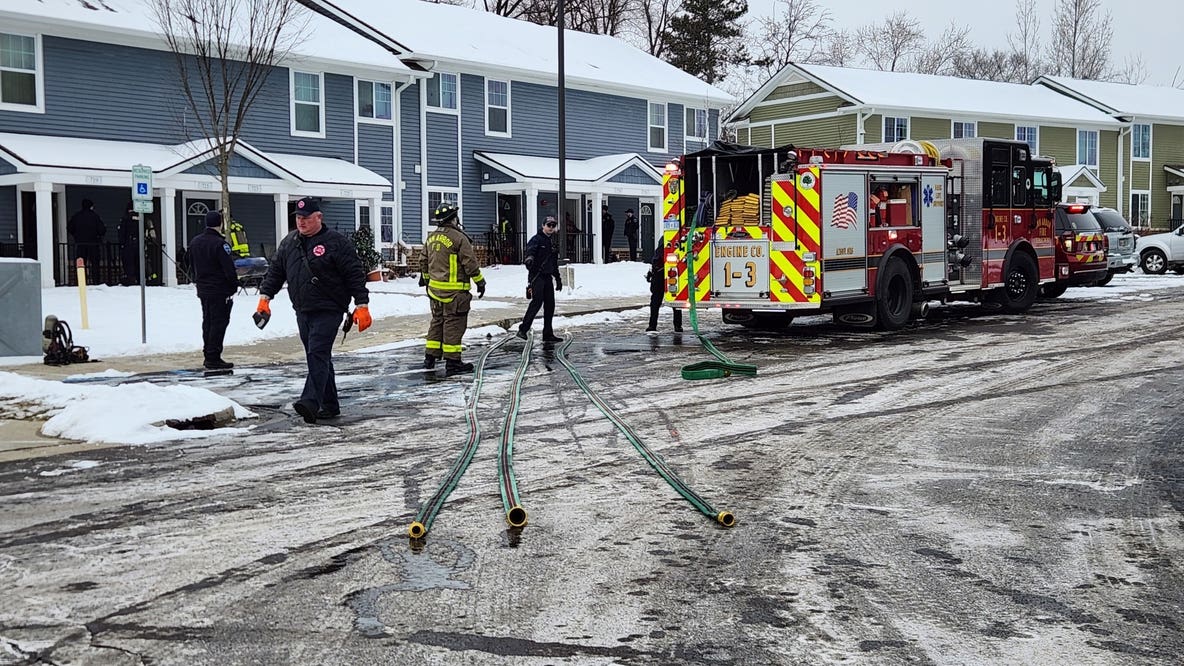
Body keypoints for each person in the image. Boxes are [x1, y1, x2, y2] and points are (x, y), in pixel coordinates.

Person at [257, 197, 372, 424]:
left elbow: (354, 274)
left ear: (319, 217)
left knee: (317, 353)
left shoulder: (336, 242)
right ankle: (330, 405)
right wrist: (265, 298)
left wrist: (362, 305)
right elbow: (276, 272)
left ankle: (310, 402)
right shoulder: (289, 242)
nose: (301, 222)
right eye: (299, 218)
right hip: (302, 309)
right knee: (319, 356)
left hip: (329, 308)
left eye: (306, 218)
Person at [421, 203, 486, 376]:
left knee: (437, 322)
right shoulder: (459, 238)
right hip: (455, 293)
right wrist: (480, 282)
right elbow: (469, 263)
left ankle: (430, 357)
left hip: (435, 292)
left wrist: (428, 282)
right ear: (454, 218)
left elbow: (423, 262)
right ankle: (453, 362)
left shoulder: (431, 238)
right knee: (454, 325)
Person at [188, 210, 239, 370]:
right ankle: (213, 356)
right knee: (219, 322)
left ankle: (208, 353)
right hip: (219, 289)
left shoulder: (195, 242)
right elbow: (229, 268)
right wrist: (233, 285)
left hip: (203, 288)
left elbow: (189, 263)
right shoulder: (220, 244)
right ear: (220, 223)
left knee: (207, 321)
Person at [517, 216, 563, 342]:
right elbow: (530, 252)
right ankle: (523, 330)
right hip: (537, 276)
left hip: (548, 277)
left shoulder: (552, 243)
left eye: (553, 225)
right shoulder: (536, 240)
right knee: (537, 302)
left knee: (550, 305)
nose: (551, 228)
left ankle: (548, 333)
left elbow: (554, 263)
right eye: (549, 225)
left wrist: (558, 279)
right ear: (543, 226)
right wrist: (529, 260)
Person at [646, 241, 682, 333]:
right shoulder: (669, 242)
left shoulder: (663, 242)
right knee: (674, 300)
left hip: (659, 273)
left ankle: (652, 325)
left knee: (656, 302)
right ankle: (677, 325)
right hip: (666, 273)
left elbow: (656, 259)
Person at [67, 198, 106, 271]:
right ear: (91, 206)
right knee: (95, 264)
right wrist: (98, 236)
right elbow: (102, 230)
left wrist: (76, 235)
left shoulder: (77, 216)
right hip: (93, 243)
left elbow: (70, 227)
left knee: (81, 263)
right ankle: (96, 281)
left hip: (81, 243)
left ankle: (81, 279)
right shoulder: (95, 216)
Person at [117, 200, 139, 286]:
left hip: (128, 244)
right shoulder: (139, 218)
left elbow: (122, 232)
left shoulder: (125, 218)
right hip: (138, 244)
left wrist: (122, 244)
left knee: (129, 263)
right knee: (138, 262)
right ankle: (139, 279)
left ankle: (131, 279)